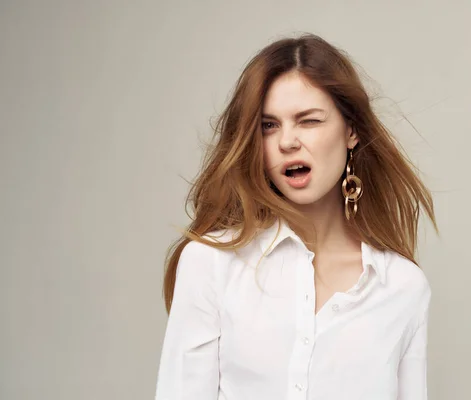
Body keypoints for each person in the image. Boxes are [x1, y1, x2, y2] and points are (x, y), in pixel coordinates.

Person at [155, 33, 437, 400]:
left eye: (308, 121)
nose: (286, 141)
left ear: (351, 130)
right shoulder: (211, 263)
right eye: (268, 126)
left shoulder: (402, 287)